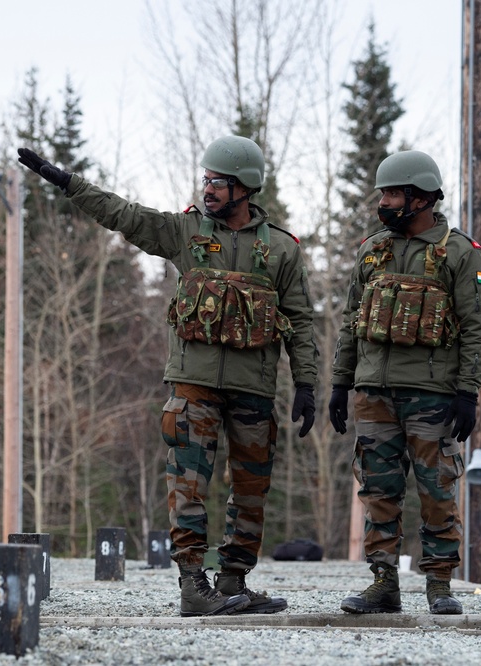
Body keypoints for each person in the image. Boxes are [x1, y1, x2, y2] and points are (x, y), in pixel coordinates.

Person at [18, 136, 319, 617]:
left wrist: (306, 384)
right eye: (206, 180)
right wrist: (67, 182)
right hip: (193, 384)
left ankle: (233, 582)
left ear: (245, 188)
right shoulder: (184, 232)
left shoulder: (280, 249)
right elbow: (122, 214)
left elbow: (301, 320)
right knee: (189, 486)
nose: (208, 188)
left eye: (217, 182)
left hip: (253, 389)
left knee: (251, 489)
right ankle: (193, 586)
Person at [330, 150, 481, 615]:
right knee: (378, 490)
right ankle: (383, 583)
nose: (384, 202)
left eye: (392, 193)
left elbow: (477, 327)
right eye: (382, 193)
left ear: (420, 198)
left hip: (432, 395)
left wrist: (467, 391)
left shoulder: (461, 253)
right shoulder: (372, 249)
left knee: (436, 491)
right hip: (373, 393)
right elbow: (350, 320)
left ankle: (439, 585)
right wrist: (341, 384)